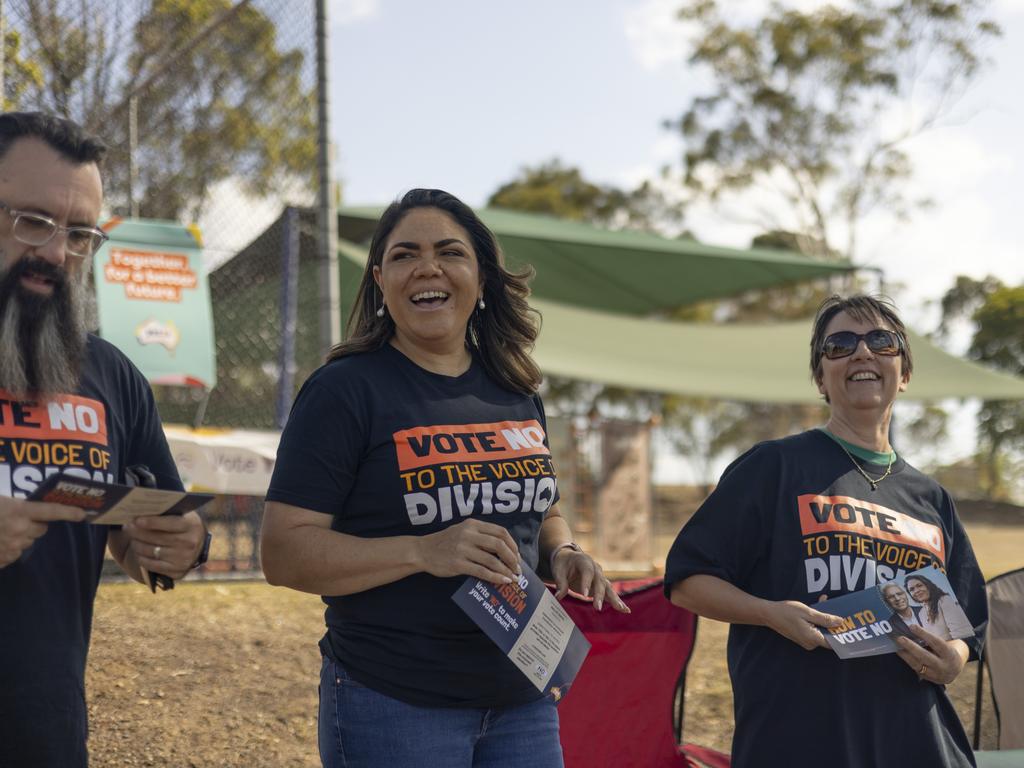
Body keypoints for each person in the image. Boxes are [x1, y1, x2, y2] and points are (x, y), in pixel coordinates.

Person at [261, 188, 627, 768]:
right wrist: (422, 551)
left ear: (480, 280)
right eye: (405, 255)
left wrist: (564, 553)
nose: (428, 267)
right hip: (394, 701)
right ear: (380, 281)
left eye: (450, 252)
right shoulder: (344, 391)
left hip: (523, 697)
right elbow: (282, 553)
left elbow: (545, 510)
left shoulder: (516, 390)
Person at [664, 295, 987, 768]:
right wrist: (769, 613)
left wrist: (954, 657)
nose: (862, 353)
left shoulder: (931, 498)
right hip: (800, 742)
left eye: (882, 341)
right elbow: (687, 581)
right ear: (820, 377)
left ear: (905, 371)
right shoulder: (773, 466)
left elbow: (969, 621)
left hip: (919, 745)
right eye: (840, 345)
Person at [0, 112, 209, 768]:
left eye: (81, 234)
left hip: (47, 737)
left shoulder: (111, 374)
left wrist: (181, 545)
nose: (57, 254)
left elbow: (148, 532)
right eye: (32, 222)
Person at [906, 573, 975, 642]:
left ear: (928, 585)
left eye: (919, 586)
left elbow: (962, 633)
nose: (916, 591)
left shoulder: (944, 600)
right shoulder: (921, 613)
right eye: (912, 589)